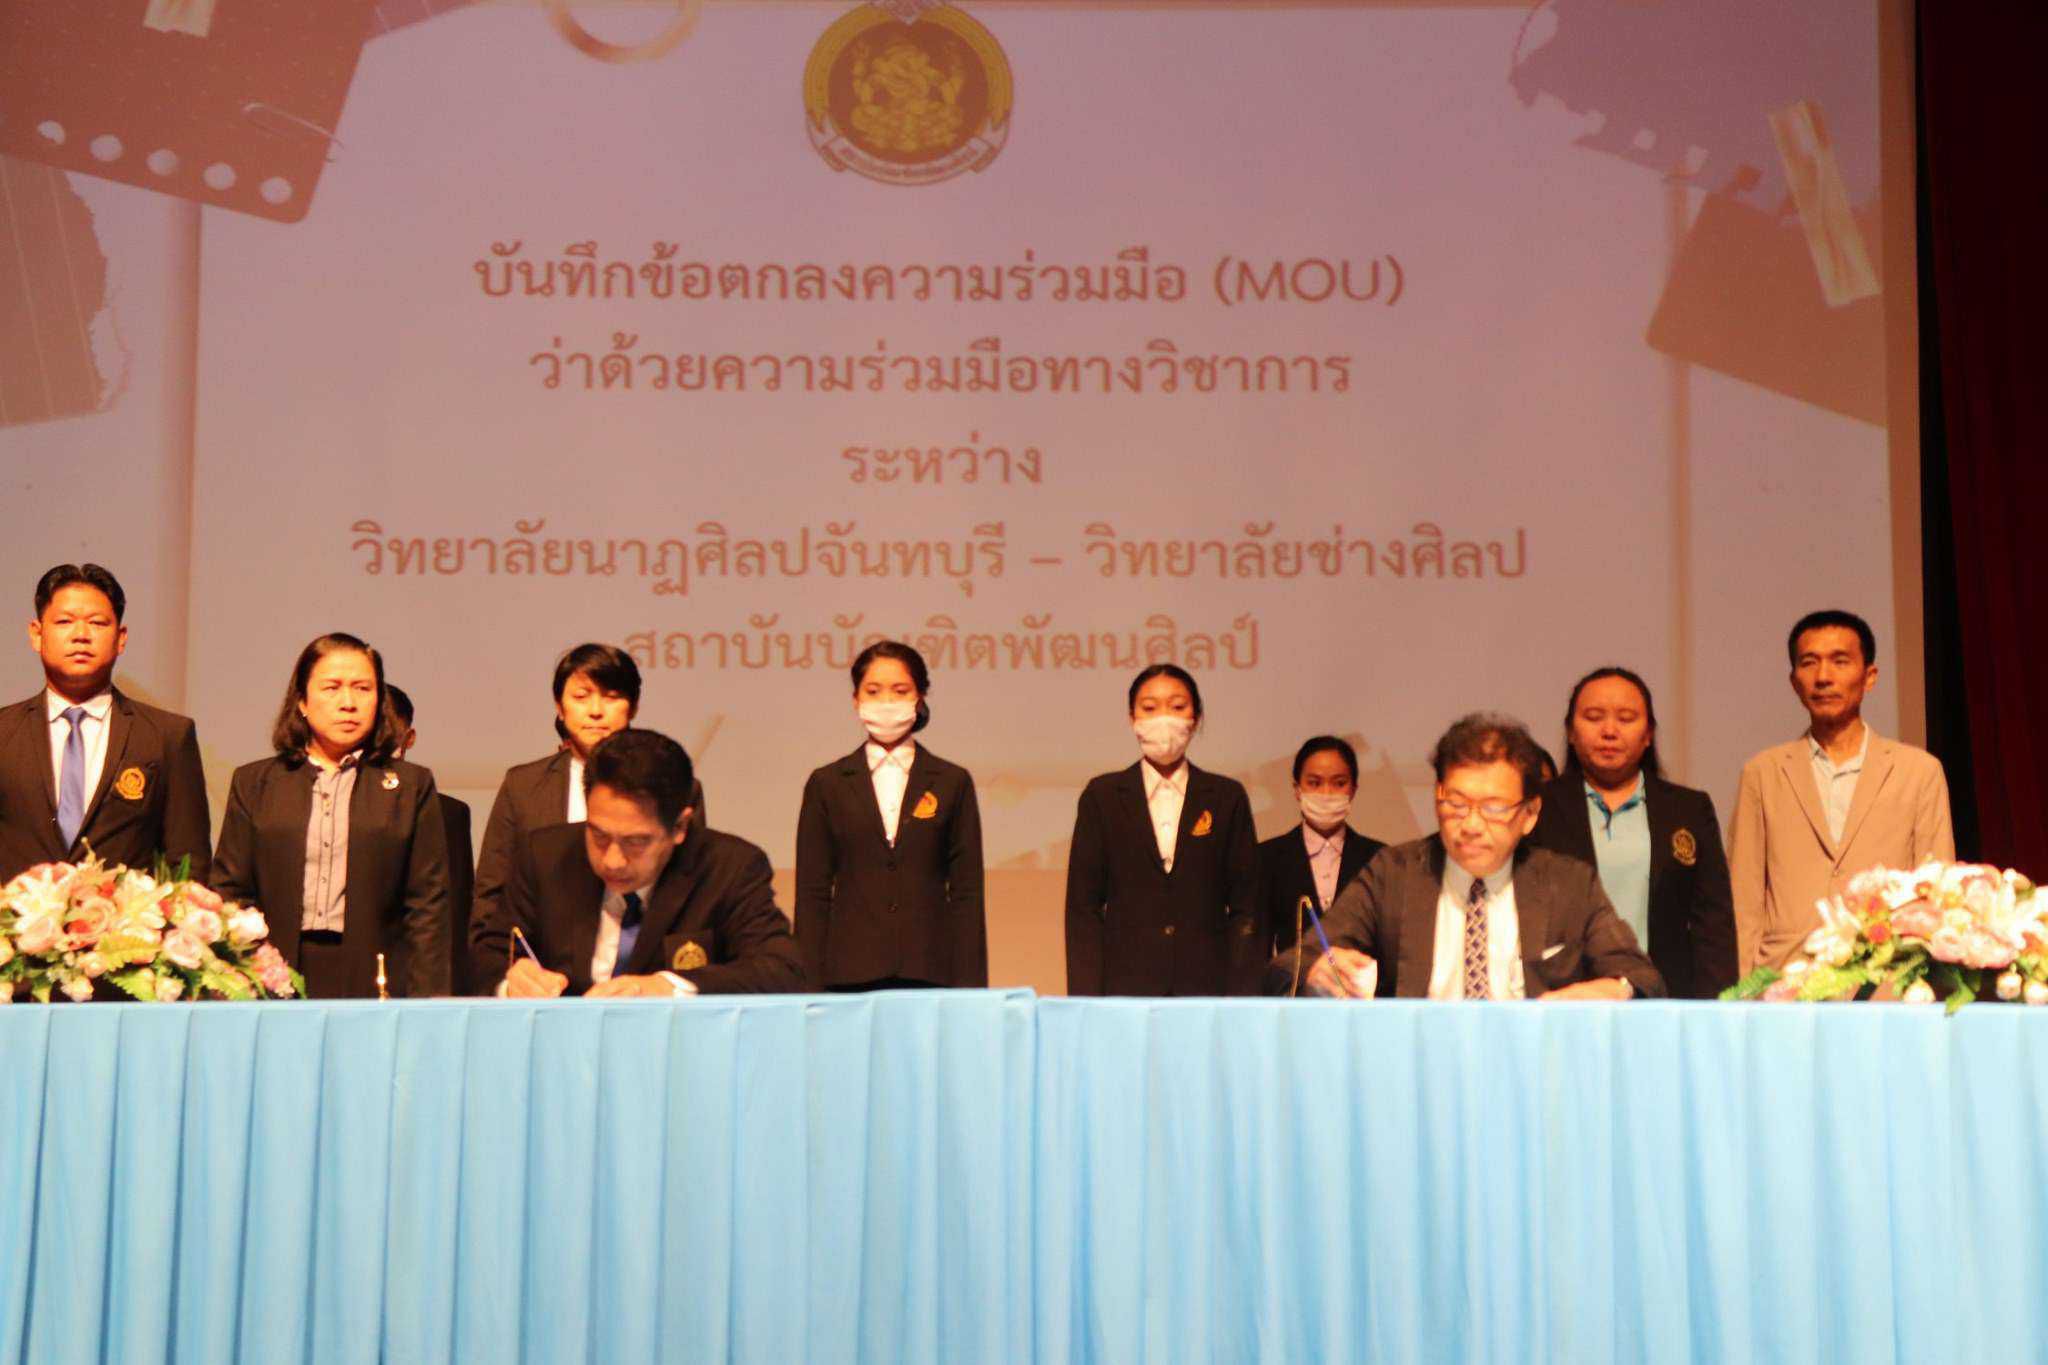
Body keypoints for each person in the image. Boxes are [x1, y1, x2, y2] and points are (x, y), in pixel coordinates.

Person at [1270, 713, 1664, 1000]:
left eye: (1493, 808)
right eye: (1456, 804)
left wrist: (1615, 989)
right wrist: (1317, 971)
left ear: (1529, 814)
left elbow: (1642, 977)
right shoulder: (1395, 874)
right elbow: (1290, 965)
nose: (1471, 825)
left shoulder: (1568, 883)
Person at [475, 728, 803, 997]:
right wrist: (511, 981)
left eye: (636, 842)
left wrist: (667, 986)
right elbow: (485, 955)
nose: (613, 861)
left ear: (679, 827)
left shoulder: (729, 867)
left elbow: (781, 969)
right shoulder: (546, 856)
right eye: (599, 835)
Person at [212, 633, 452, 998]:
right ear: (302, 701)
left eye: (363, 688)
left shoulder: (410, 785)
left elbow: (427, 906)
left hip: (376, 978)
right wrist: (241, 977)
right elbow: (230, 889)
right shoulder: (255, 782)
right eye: (332, 688)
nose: (348, 703)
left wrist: (427, 1003)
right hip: (272, 973)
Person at [1730, 609, 1954, 972]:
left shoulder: (1918, 771)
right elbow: (1744, 898)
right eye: (1809, 663)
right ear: (1794, 682)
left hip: (1883, 976)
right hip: (1786, 978)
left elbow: (1936, 887)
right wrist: (1742, 989)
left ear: (1869, 677)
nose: (1823, 677)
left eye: (1840, 661)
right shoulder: (1763, 772)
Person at [470, 643, 705, 989]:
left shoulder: (675, 784)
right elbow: (491, 896)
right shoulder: (523, 785)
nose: (595, 711)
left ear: (633, 706)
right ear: (559, 706)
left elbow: (689, 889)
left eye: (611, 697)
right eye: (581, 697)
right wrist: (509, 972)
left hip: (643, 981)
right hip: (546, 983)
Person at [1528, 667, 1737, 998]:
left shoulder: (1688, 809)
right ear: (1570, 731)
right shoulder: (1537, 808)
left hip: (1665, 998)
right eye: (1593, 717)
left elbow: (1714, 924)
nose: (1609, 731)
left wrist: (1718, 1007)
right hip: (1565, 999)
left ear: (1648, 734)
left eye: (1626, 718)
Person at [0, 563, 210, 884]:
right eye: (65, 622)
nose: (81, 635)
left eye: (97, 623)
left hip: (126, 917)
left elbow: (189, 863)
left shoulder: (167, 736)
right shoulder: (5, 732)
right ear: (36, 634)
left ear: (120, 638)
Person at [794, 641, 986, 989]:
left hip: (930, 969)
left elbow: (966, 892)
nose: (886, 702)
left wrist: (970, 989)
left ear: (920, 697)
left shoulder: (951, 781)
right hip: (849, 972)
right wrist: (807, 987)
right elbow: (812, 893)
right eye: (873, 691)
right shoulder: (827, 783)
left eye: (900, 691)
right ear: (856, 699)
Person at [1064, 664, 1260, 995]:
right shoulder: (1103, 796)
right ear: (1132, 718)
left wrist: (1241, 994)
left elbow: (1246, 906)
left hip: (1207, 987)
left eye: (1178, 706)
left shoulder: (1226, 797)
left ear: (1196, 717)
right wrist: (1086, 999)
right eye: (1150, 708)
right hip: (1125, 988)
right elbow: (1083, 909)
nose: (1164, 719)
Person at [1256, 736, 1386, 968]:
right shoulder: (1266, 858)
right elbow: (1257, 947)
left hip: (1361, 987)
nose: (1326, 793)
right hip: (1291, 987)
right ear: (1297, 789)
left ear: (1353, 789)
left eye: (1339, 783)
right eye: (1314, 783)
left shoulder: (1379, 859)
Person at [388, 684, 477, 994]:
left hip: (423, 979)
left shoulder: (448, 813)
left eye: (389, 729)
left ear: (409, 737)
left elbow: (456, 913)